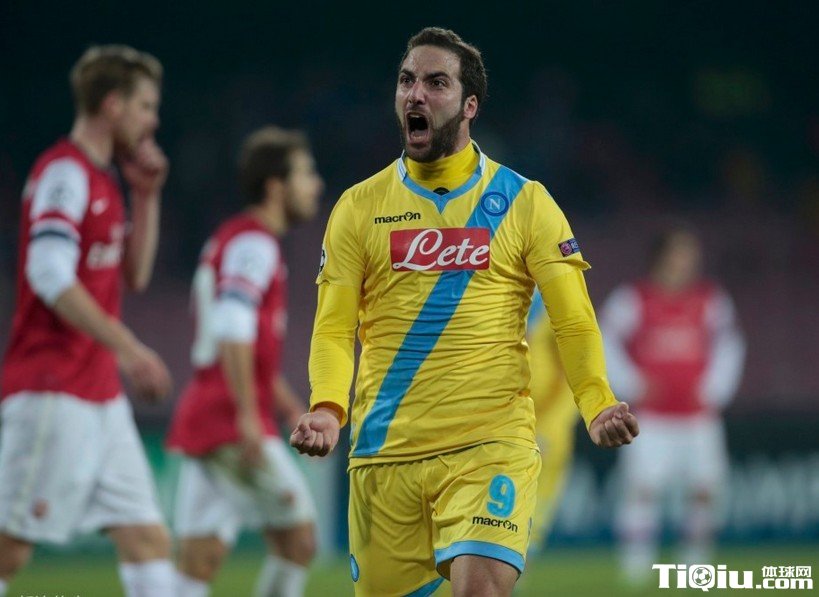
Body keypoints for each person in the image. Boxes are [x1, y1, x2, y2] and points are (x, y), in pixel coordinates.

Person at [290, 27, 639, 597]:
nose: (416, 94)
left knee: (481, 589)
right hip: (384, 454)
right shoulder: (357, 208)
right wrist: (328, 408)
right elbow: (332, 328)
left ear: (469, 105)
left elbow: (573, 320)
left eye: (436, 82)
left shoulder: (525, 202)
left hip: (490, 443)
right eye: (407, 81)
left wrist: (596, 401)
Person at [0, 46, 174, 596]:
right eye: (145, 106)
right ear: (112, 105)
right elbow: (47, 273)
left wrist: (146, 196)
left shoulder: (105, 181)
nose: (153, 121)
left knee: (147, 539)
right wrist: (130, 349)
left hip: (98, 394)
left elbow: (135, 276)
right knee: (10, 547)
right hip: (52, 388)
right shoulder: (64, 172)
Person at [167, 126, 324, 597]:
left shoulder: (235, 239)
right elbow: (233, 327)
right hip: (227, 419)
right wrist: (248, 414)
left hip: (209, 412)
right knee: (299, 540)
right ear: (276, 187)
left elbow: (246, 349)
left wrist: (288, 406)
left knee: (199, 560)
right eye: (305, 174)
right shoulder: (255, 244)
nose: (315, 185)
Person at [599, 226, 745, 585]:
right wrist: (632, 384)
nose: (688, 261)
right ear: (661, 256)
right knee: (642, 488)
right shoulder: (633, 299)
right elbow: (602, 338)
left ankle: (695, 568)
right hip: (650, 418)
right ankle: (635, 570)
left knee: (704, 490)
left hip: (698, 418)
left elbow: (730, 345)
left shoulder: (710, 300)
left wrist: (714, 390)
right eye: (680, 252)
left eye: (690, 254)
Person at [525, 292, 580, 553]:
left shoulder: (556, 306)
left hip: (546, 433)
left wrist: (547, 429)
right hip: (498, 428)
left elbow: (574, 375)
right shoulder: (487, 303)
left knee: (531, 523)